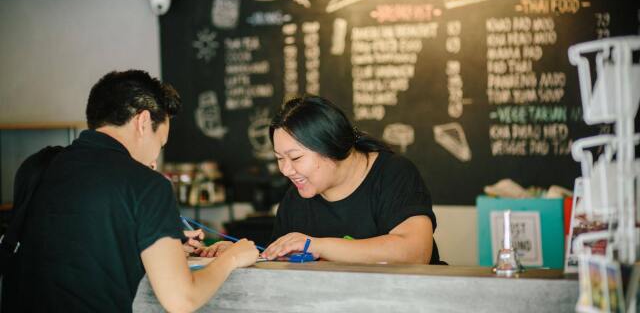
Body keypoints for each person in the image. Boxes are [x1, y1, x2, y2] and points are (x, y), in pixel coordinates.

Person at [3, 70, 258, 312]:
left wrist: (153, 238)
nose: (155, 158)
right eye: (160, 143)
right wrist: (233, 257)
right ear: (143, 121)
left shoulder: (38, 166)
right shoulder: (147, 184)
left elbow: (73, 243)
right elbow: (181, 300)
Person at [262, 95, 441, 264]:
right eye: (279, 158)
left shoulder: (393, 173)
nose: (285, 170)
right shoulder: (295, 199)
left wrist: (317, 246)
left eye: (295, 158)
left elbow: (417, 253)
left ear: (330, 146)